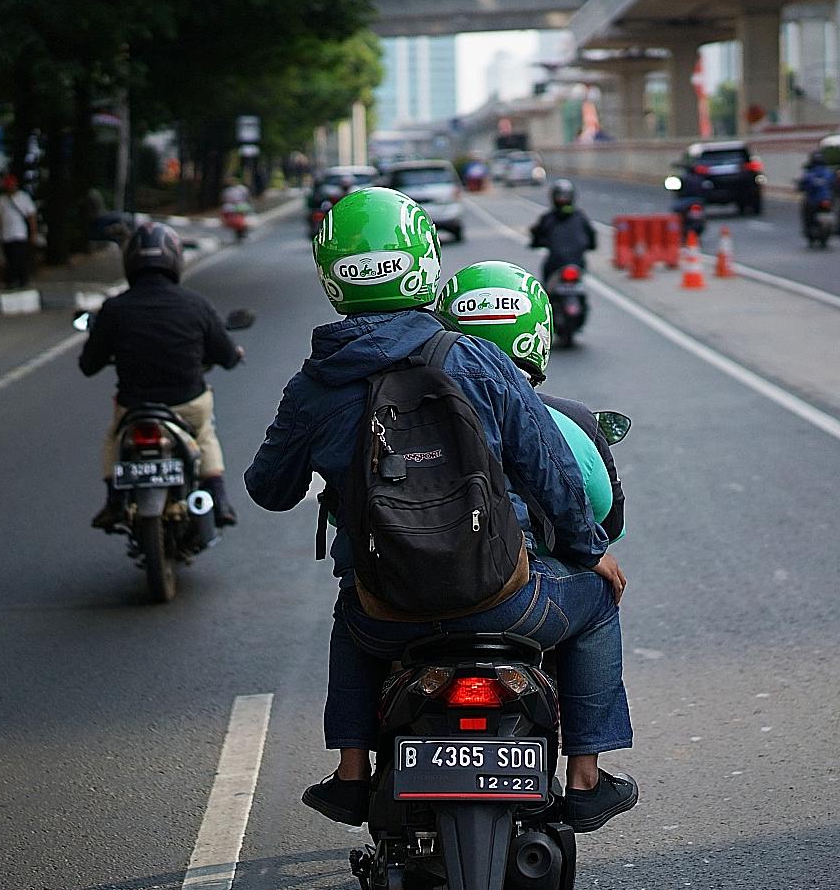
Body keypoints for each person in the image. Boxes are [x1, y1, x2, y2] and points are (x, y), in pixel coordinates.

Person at [244, 187, 638, 833]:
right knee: (597, 607)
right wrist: (593, 554)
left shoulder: (315, 384)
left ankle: (350, 778)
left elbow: (270, 489)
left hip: (389, 615)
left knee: (351, 612)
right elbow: (550, 470)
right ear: (423, 259)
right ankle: (587, 782)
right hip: (506, 600)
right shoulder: (476, 358)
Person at [433, 261, 624, 548]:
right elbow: (609, 522)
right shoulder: (572, 421)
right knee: (604, 576)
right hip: (523, 582)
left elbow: (340, 510)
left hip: (398, 579)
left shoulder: (399, 411)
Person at [79, 222, 244, 529]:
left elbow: (88, 364)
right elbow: (226, 355)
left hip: (134, 408)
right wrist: (235, 355)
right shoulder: (197, 305)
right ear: (174, 259)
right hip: (187, 403)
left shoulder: (114, 309)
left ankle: (114, 500)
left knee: (113, 438)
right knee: (205, 433)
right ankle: (218, 498)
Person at [529, 178, 597, 280]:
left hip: (558, 264)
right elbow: (592, 235)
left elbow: (537, 235)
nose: (562, 199)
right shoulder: (580, 217)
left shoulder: (548, 218)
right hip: (576, 264)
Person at [0, 173, 38, 288]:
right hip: (6, 235)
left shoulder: (24, 197)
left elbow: (31, 216)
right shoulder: (1, 200)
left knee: (19, 258)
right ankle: (11, 281)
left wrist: (33, 233)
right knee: (10, 259)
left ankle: (21, 280)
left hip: (20, 234)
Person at [796, 150, 836, 235]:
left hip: (813, 200)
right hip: (826, 199)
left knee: (806, 209)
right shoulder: (829, 172)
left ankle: (808, 228)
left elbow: (802, 184)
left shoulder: (808, 173)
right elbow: (834, 184)